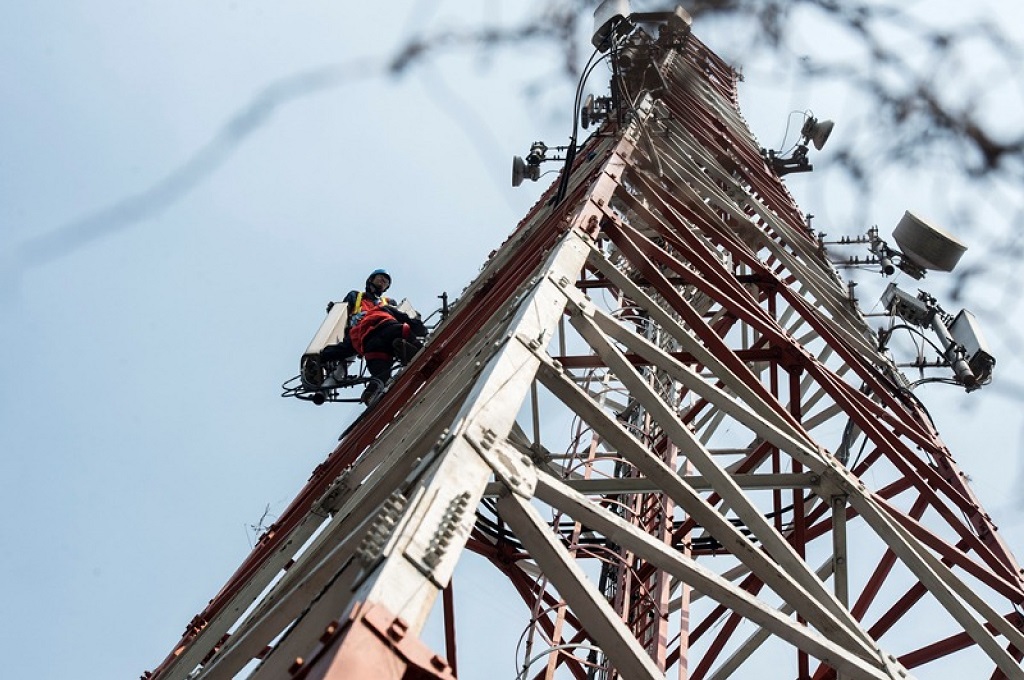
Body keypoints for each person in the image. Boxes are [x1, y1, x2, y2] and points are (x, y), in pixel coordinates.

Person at [320, 268, 426, 402]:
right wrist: (421, 329)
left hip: (368, 342)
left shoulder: (388, 302)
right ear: (371, 279)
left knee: (381, 373)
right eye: (381, 278)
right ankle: (413, 350)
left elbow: (346, 347)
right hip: (382, 328)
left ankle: (371, 392)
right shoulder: (357, 297)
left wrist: (323, 355)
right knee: (405, 332)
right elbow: (343, 313)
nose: (383, 282)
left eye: (386, 282)